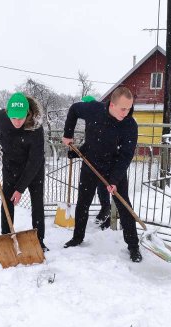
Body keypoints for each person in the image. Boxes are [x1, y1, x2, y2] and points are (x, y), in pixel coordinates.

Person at [62, 87, 142, 262]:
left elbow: (126, 155)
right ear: (112, 105)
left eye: (130, 108)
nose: (127, 112)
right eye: (123, 108)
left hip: (114, 168)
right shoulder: (94, 110)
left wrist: (113, 180)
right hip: (91, 163)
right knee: (83, 202)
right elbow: (74, 109)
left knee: (124, 206)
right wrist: (68, 134)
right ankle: (77, 237)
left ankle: (134, 246)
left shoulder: (130, 125)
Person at [0, 92, 48, 251]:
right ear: (8, 114)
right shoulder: (1, 118)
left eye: (21, 118)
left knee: (37, 203)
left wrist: (20, 188)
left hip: (33, 168)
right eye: (14, 118)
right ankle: (6, 236)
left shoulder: (36, 128)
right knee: (6, 201)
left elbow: (35, 160)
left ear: (28, 114)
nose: (17, 122)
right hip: (11, 165)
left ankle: (39, 240)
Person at [80, 95, 111, 229]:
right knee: (100, 187)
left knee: (103, 186)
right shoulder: (92, 117)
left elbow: (99, 139)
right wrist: (78, 151)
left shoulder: (100, 117)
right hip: (94, 159)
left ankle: (107, 213)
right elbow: (90, 140)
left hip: (105, 159)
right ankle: (106, 212)